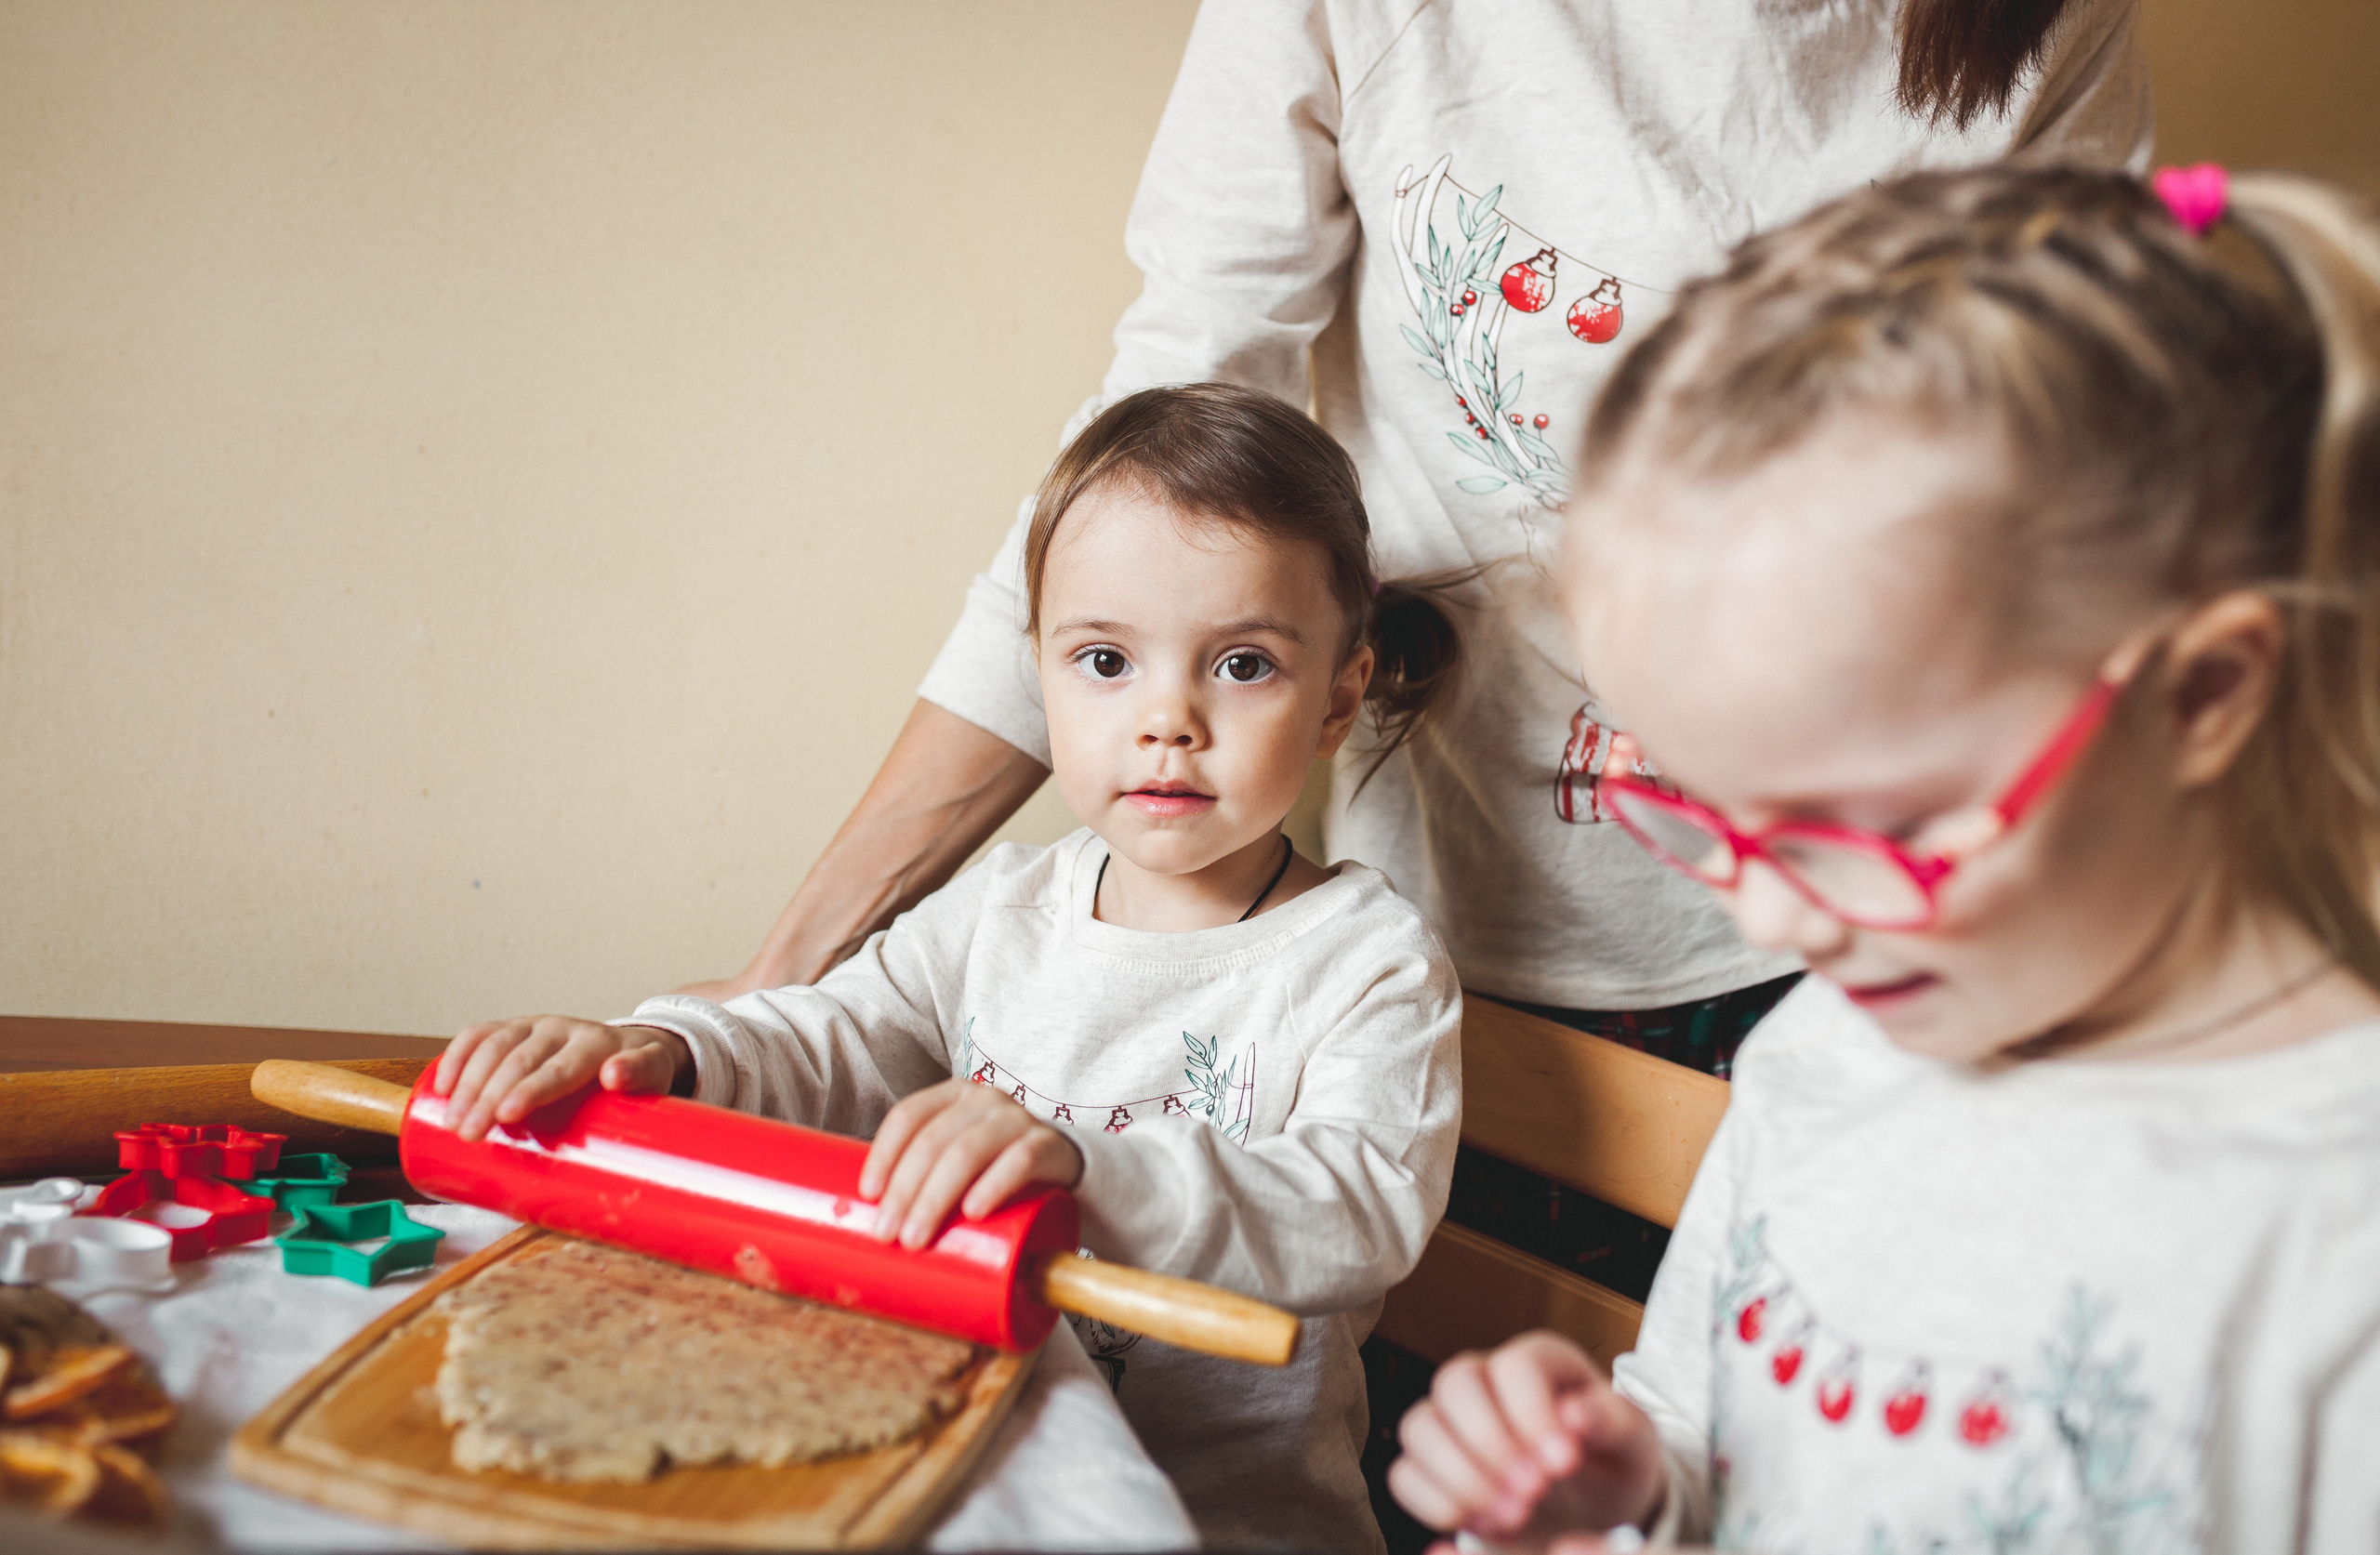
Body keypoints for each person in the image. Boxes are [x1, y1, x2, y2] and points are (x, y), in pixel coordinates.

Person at [687, 0, 2155, 1080]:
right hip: (1452, 912)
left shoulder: (2049, 22)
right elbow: (1154, 457)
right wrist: (773, 987)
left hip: (1865, 922)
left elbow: (2055, 487)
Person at [1384, 163, 2380, 1548]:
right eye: (1707, 816)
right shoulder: (1822, 1053)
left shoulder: (2335, 1221)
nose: (1785, 927)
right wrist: (1623, 1498)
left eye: (1875, 832)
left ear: (2203, 695)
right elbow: (1706, 1438)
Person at [437, 384, 1467, 1555]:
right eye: (1104, 659)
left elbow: (1358, 1205)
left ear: (1337, 696)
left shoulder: (1367, 962)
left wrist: (1082, 1172)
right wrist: (663, 1049)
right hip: (973, 1488)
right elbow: (825, 1038)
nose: (1167, 718)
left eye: (1240, 664)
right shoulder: (999, 908)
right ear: (1036, 673)